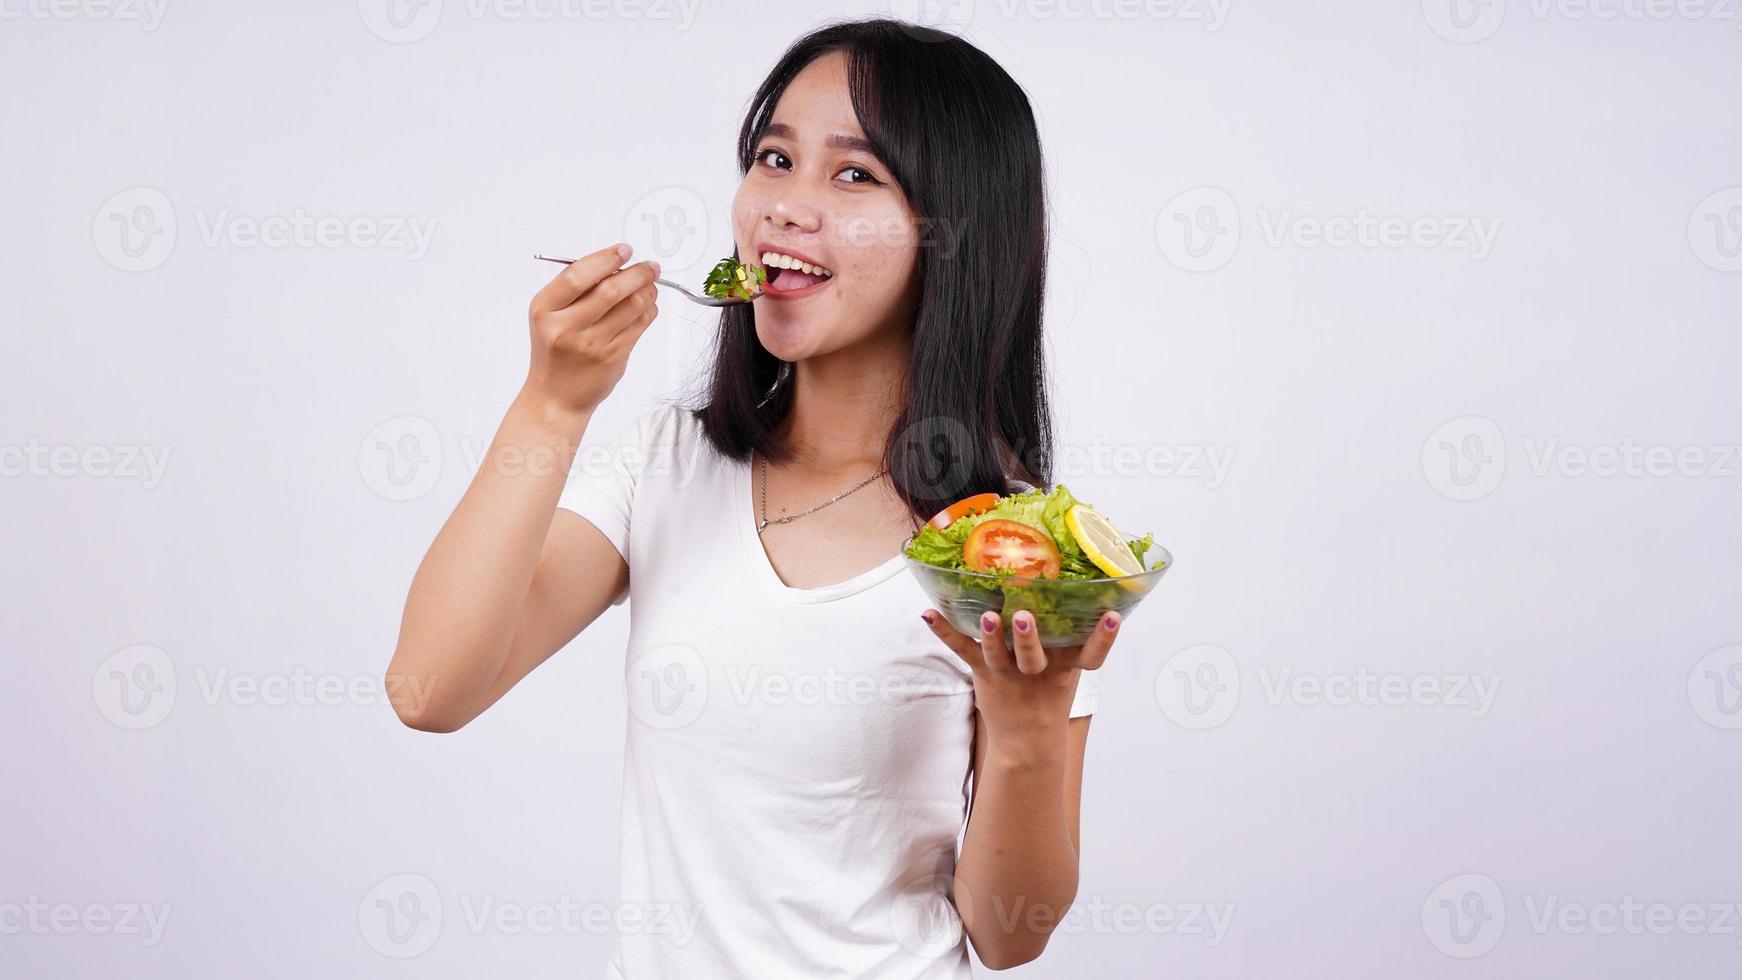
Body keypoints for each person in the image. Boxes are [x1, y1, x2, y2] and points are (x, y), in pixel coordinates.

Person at [386, 18, 1126, 977]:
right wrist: (552, 403)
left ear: (954, 234)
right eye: (774, 158)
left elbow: (1007, 934)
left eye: (854, 175)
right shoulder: (669, 463)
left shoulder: (1011, 549)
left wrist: (1027, 740)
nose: (784, 206)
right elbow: (431, 690)